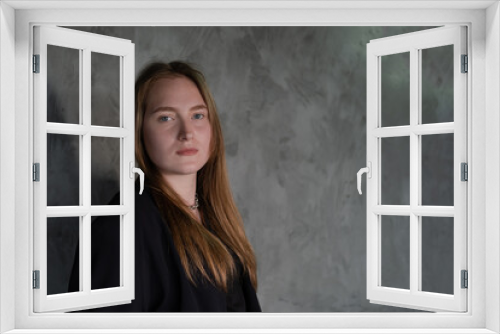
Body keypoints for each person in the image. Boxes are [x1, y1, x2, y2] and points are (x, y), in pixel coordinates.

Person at [68, 61, 261, 312]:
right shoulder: (122, 227)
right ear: (139, 132)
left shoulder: (217, 217)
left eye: (198, 115)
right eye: (166, 117)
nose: (187, 132)